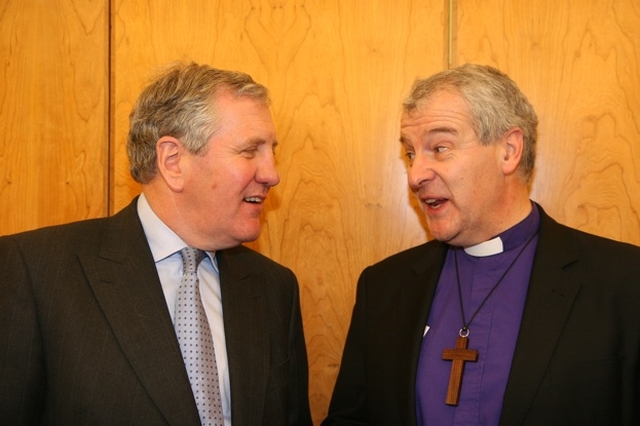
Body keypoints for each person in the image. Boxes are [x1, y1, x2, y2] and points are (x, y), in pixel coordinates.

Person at [322, 64, 640, 425]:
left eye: (439, 148)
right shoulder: (383, 286)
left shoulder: (625, 282)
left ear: (508, 150)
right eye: (410, 153)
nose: (415, 175)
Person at [0, 62, 312, 426]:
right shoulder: (35, 272)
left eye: (272, 150)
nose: (272, 173)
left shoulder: (274, 288)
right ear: (173, 161)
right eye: (249, 151)